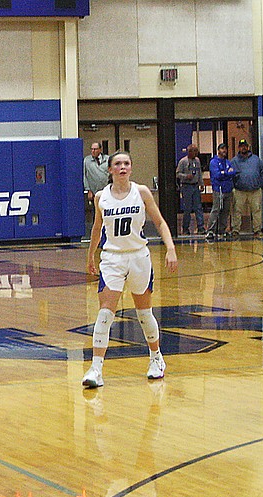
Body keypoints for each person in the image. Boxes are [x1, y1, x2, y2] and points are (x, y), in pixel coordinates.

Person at [82, 150, 178, 388]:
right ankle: (96, 368)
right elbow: (96, 229)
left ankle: (156, 358)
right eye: (118, 164)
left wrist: (171, 248)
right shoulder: (102, 197)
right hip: (112, 258)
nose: (122, 167)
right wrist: (90, 255)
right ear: (110, 169)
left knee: (144, 313)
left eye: (126, 163)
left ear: (131, 168)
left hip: (138, 257)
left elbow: (160, 222)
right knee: (105, 312)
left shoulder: (142, 192)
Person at [230, 139, 263, 238]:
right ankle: (235, 230)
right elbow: (230, 176)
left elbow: (262, 173)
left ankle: (257, 230)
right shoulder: (234, 161)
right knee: (236, 211)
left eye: (245, 146)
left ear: (248, 147)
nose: (243, 148)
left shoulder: (256, 159)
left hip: (255, 190)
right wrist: (234, 187)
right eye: (241, 146)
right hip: (239, 191)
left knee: (256, 210)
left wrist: (260, 185)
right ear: (239, 148)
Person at [206, 143, 236, 240]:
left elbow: (233, 172)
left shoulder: (228, 162)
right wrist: (227, 173)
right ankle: (210, 230)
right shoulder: (214, 162)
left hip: (228, 189)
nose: (224, 151)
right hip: (218, 189)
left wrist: (225, 173)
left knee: (225, 210)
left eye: (225, 148)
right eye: (222, 149)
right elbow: (217, 175)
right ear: (218, 150)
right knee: (216, 209)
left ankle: (222, 230)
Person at [175, 144, 204, 235]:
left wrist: (201, 183)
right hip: (186, 186)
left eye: (196, 151)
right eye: (194, 151)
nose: (196, 153)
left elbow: (199, 173)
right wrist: (186, 176)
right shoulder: (183, 161)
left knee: (198, 207)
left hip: (195, 186)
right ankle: (185, 228)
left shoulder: (197, 161)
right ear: (189, 152)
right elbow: (177, 173)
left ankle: (201, 227)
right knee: (187, 208)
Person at [83, 142, 109, 234]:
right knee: (96, 214)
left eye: (95, 149)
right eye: (92, 149)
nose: (93, 151)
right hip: (94, 192)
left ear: (100, 150)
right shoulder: (87, 161)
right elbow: (85, 176)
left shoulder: (107, 159)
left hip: (106, 192)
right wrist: (88, 190)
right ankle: (96, 235)